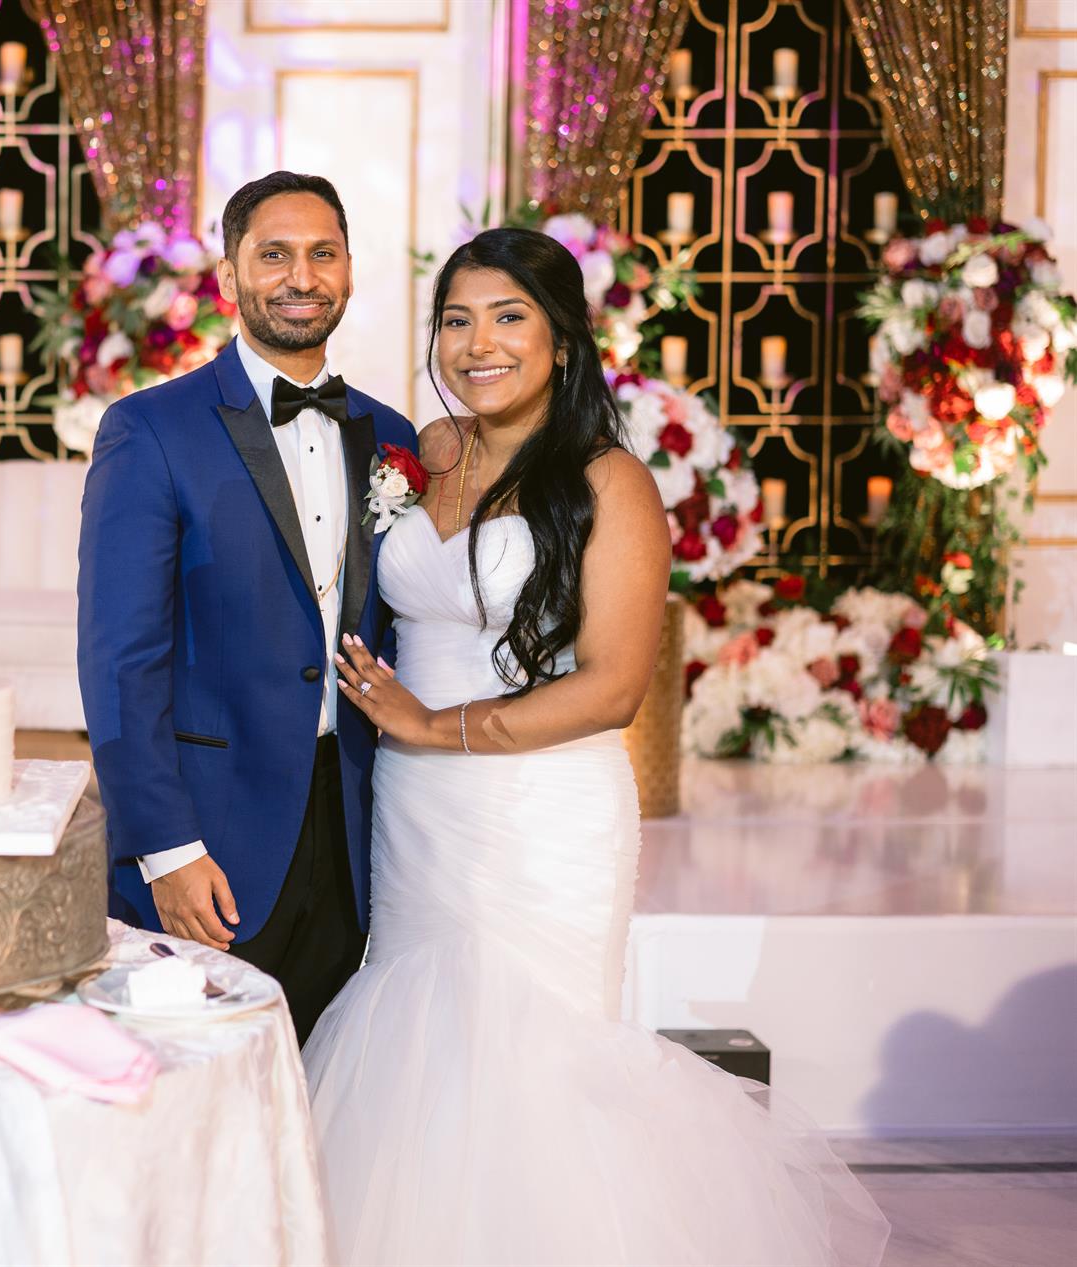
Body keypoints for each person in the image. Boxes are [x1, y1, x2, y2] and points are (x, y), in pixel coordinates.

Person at [307, 227, 890, 1264]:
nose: (477, 343)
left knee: (532, 1053)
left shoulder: (609, 480)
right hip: (415, 808)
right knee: (414, 1040)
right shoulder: (420, 454)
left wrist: (432, 724)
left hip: (541, 813)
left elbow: (614, 687)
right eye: (456, 319)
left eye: (508, 317)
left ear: (563, 341)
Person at [76, 172, 418, 1044]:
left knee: (319, 1082)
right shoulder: (151, 429)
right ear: (230, 276)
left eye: (323, 253)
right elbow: (119, 660)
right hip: (210, 838)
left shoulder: (393, 437)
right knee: (192, 1081)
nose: (301, 276)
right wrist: (168, 849)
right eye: (274, 255)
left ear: (349, 271)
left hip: (354, 835)